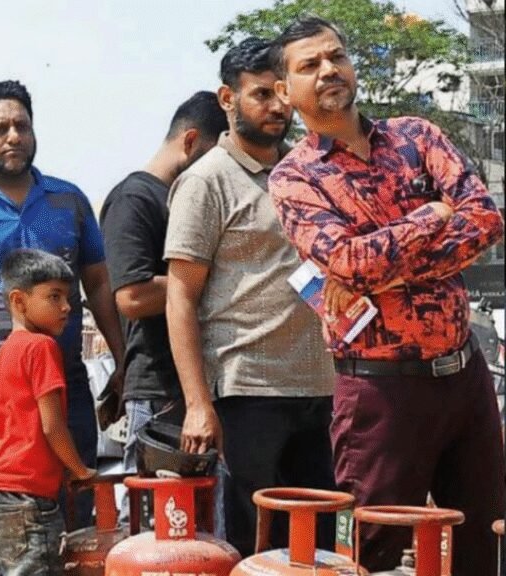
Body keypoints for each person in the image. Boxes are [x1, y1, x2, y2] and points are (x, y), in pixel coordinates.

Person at [268, 16, 506, 573]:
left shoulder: (417, 137)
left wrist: (383, 272)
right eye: (310, 64)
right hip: (379, 392)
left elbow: (486, 220)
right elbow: (347, 262)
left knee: (483, 542)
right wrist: (432, 214)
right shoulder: (295, 178)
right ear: (285, 90)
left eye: (336, 56)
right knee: (369, 550)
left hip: (465, 377)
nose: (329, 69)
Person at [0, 80, 125, 525]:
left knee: (76, 509)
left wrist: (123, 363)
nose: (14, 136)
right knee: (7, 512)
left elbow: (98, 285)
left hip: (64, 383)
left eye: (22, 126)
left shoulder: (69, 201)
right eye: (0, 129)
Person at [165, 38, 337, 555]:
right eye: (262, 94)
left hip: (320, 388)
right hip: (246, 392)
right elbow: (180, 298)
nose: (278, 106)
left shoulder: (310, 171)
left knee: (315, 549)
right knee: (250, 547)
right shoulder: (205, 182)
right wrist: (198, 405)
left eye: (283, 92)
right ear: (227, 99)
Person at [99, 91, 227, 475]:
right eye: (217, 156)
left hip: (203, 385)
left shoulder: (190, 196)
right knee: (157, 506)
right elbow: (132, 296)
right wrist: (215, 277)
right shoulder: (135, 198)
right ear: (191, 141)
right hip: (159, 389)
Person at [0, 248, 97, 575]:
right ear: (19, 301)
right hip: (27, 502)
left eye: (67, 297)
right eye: (54, 297)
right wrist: (79, 470)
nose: (66, 306)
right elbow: (52, 426)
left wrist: (20, 457)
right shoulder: (41, 347)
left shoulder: (3, 354)